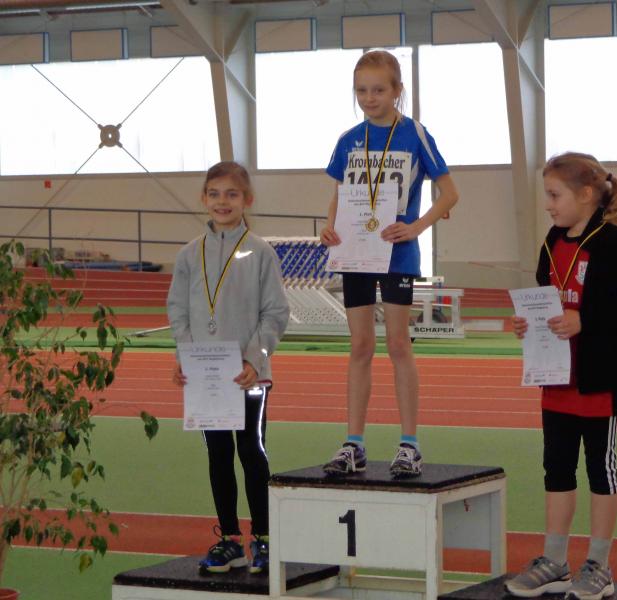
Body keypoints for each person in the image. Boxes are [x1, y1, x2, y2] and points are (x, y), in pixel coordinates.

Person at [505, 152, 617, 599]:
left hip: (599, 378)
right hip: (555, 377)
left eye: (555, 195)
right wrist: (528, 322)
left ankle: (599, 565)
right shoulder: (552, 241)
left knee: (600, 469)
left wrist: (585, 319)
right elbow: (546, 298)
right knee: (556, 468)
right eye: (547, 195)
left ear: (586, 194)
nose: (548, 205)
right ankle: (554, 561)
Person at [320, 50, 458, 477]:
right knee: (360, 346)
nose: (369, 98)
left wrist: (416, 227)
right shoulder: (349, 139)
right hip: (355, 253)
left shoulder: (415, 134)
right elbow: (340, 194)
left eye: (379, 89)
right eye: (361, 90)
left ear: (398, 90)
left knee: (399, 345)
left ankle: (409, 444)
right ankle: (354, 442)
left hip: (397, 253)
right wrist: (330, 226)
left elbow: (450, 194)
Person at [167, 161, 290, 574]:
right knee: (218, 454)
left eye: (232, 194)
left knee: (251, 451)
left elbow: (275, 313)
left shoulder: (261, 252)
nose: (223, 202)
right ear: (204, 198)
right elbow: (178, 311)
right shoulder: (189, 254)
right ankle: (230, 541)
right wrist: (186, 355)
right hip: (206, 376)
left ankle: (265, 538)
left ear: (247, 200)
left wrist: (255, 358)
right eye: (215, 194)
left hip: (248, 374)